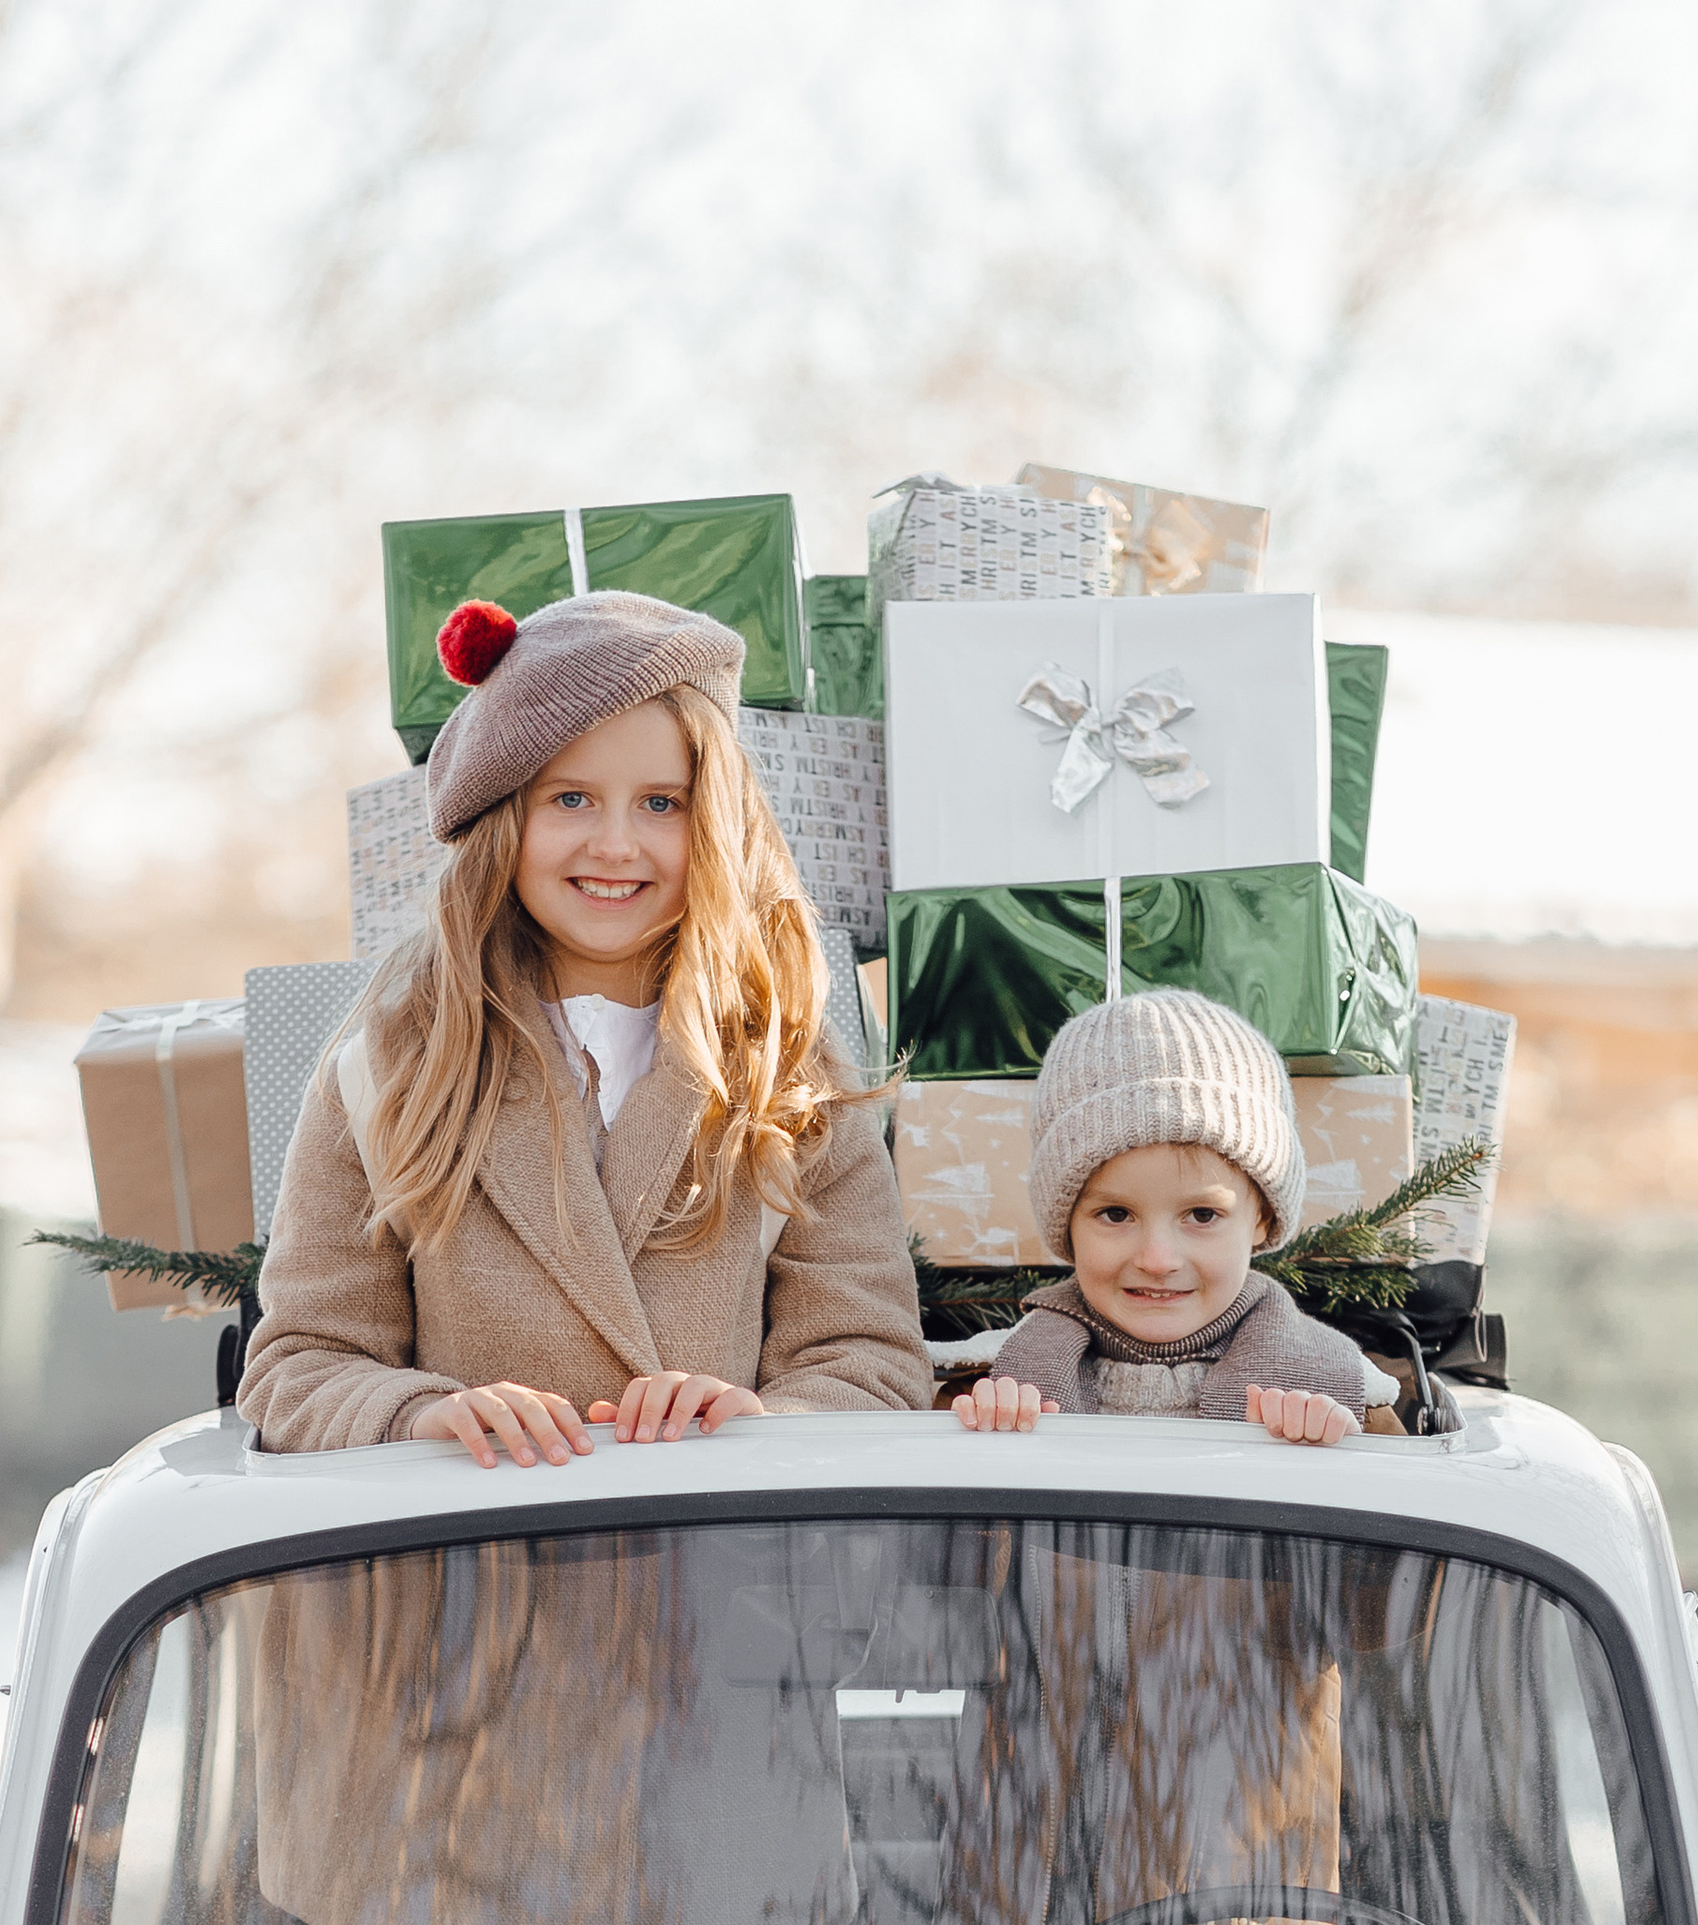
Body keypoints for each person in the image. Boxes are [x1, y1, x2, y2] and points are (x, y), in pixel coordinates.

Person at [241, 591, 929, 1467]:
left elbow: (869, 1359)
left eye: (661, 804)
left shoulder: (786, 1071)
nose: (614, 844)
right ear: (502, 818)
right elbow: (301, 1363)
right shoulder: (393, 1069)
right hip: (476, 1579)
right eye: (570, 799)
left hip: (722, 1568)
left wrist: (759, 1419)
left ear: (715, 825)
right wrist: (424, 1414)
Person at [950, 990, 1405, 1442]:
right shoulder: (1001, 1377)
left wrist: (1344, 1453)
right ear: (1066, 1222)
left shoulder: (1337, 1386)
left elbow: (1407, 1496)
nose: (1158, 1259)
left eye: (1202, 1214)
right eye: (1115, 1214)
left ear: (1262, 1218)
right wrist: (978, 1437)